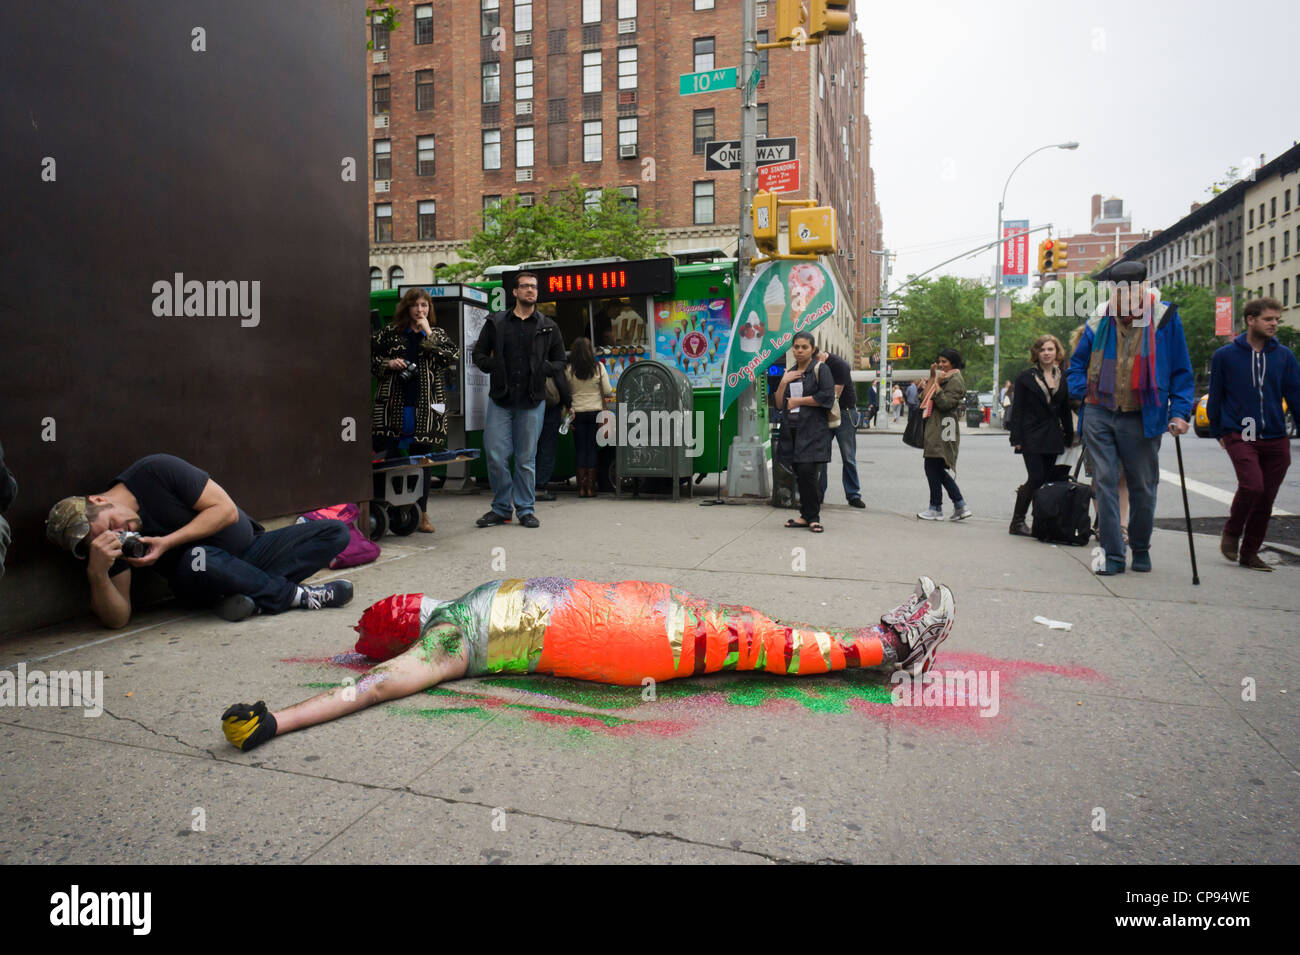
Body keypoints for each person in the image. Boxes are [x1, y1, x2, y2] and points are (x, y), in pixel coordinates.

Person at [220, 574, 956, 751]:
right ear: (403, 628)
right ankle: (888, 644)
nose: (409, 602)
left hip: (614, 615)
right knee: (747, 638)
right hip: (615, 636)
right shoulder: (440, 644)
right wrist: (276, 718)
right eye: (399, 612)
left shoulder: (453, 611)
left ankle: (884, 641)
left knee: (744, 632)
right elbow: (368, 689)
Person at [45, 454, 353, 627]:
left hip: (252, 549)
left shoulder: (155, 471)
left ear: (99, 499)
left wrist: (166, 543)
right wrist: (97, 573)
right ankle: (295, 596)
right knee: (199, 557)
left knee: (335, 532)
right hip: (199, 574)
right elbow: (119, 618)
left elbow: (227, 511)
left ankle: (251, 597)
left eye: (113, 523)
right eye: (112, 535)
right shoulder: (106, 546)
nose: (122, 531)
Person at [1067, 260, 1194, 575]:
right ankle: (1113, 553)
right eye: (1118, 290)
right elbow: (1076, 364)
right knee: (1104, 482)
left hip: (1142, 414)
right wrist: (1082, 391)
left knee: (1143, 486)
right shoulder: (1099, 319)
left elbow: (1181, 372)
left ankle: (1140, 546)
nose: (1125, 296)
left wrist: (1179, 412)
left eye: (1131, 289)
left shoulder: (1164, 319)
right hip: (1099, 410)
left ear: (1144, 286)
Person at [1208, 296, 1300, 571]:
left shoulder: (1284, 356)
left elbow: (1295, 395)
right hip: (1242, 430)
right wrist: (1218, 430)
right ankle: (1233, 531)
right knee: (1252, 486)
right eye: (1268, 319)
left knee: (1266, 498)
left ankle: (1250, 553)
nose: (1274, 324)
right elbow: (1216, 395)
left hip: (1275, 434)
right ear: (1251, 320)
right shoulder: (1225, 355)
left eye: (1276, 320)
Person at [471, 272, 567, 529]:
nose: (530, 291)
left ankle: (525, 509)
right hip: (501, 398)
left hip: (533, 400)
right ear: (514, 292)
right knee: (494, 455)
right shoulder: (497, 322)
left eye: (534, 287)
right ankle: (502, 508)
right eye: (525, 286)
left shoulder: (548, 326)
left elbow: (560, 360)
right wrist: (494, 365)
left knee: (526, 458)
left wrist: (542, 369)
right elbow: (478, 353)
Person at [371, 288, 459, 534]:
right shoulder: (390, 334)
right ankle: (384, 508)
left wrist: (428, 332)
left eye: (425, 306)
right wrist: (387, 364)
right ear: (406, 308)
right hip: (392, 407)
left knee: (423, 461)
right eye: (416, 305)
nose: (420, 310)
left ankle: (422, 513)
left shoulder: (436, 333)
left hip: (426, 409)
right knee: (386, 456)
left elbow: (451, 356)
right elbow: (365, 358)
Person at [1007, 335, 1075, 536]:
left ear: (1057, 353)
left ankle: (1041, 522)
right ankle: (1017, 521)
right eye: (1042, 349)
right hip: (1030, 434)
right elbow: (1017, 409)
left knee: (1046, 480)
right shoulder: (1025, 377)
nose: (1046, 353)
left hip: (1053, 434)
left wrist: (1069, 435)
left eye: (1050, 349)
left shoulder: (1062, 376)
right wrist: (1016, 438)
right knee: (1035, 477)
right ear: (1036, 353)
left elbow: (1064, 408)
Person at [775, 332, 836, 532]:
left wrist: (799, 401)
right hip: (792, 430)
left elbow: (826, 397)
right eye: (797, 347)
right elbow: (778, 405)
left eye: (804, 347)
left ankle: (814, 517)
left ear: (812, 349)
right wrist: (784, 382)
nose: (800, 351)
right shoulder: (790, 372)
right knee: (799, 473)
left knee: (808, 471)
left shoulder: (820, 369)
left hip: (812, 430)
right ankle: (805, 515)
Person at [916, 348, 972, 521]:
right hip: (935, 427)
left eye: (944, 362)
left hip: (944, 429)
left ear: (953, 363)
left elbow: (945, 404)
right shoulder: (942, 377)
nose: (941, 365)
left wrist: (937, 385)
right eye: (939, 361)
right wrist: (932, 378)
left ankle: (939, 507)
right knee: (935, 468)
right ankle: (957, 505)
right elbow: (922, 400)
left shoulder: (955, 380)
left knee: (934, 468)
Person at [816, 349, 865, 509]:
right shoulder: (814, 365)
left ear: (821, 355)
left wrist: (820, 369)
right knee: (820, 455)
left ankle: (853, 495)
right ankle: (818, 494)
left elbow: (835, 394)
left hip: (844, 412)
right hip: (824, 412)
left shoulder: (839, 365)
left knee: (848, 455)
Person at [565, 336, 614, 498]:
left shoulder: (569, 369)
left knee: (580, 449)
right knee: (592, 449)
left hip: (576, 413)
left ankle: (581, 488)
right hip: (596, 412)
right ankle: (591, 488)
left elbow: (565, 392)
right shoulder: (598, 368)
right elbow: (607, 390)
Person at [533, 362, 573, 502]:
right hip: (550, 409)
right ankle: (539, 487)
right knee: (547, 448)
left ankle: (526, 486)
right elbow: (563, 386)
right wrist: (568, 405)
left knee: (530, 446)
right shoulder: (554, 363)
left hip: (529, 406)